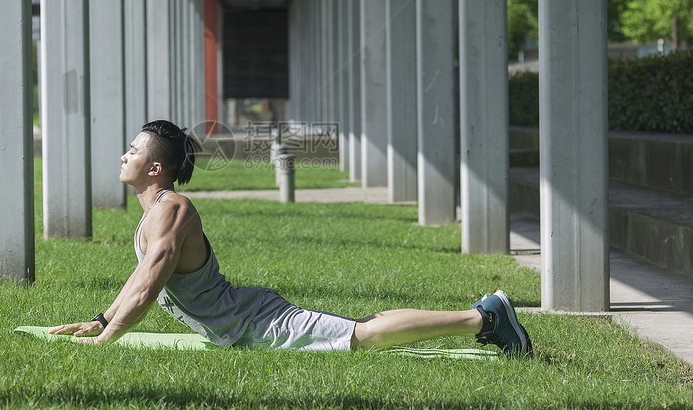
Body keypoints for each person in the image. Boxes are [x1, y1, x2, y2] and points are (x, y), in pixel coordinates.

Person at [49, 120, 532, 356]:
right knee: (357, 324)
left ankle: (483, 319)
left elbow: (151, 282)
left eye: (132, 151)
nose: (122, 155)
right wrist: (98, 320)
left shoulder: (171, 210)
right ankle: (483, 314)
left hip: (256, 323)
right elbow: (139, 278)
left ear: (155, 168)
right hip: (241, 323)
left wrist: (108, 340)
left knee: (359, 336)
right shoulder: (156, 212)